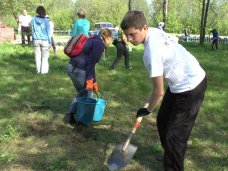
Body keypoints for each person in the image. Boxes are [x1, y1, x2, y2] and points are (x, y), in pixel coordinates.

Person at [121, 11, 207, 171]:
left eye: (132, 35)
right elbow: (173, 40)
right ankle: (170, 153)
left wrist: (147, 109)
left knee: (175, 136)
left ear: (144, 27)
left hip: (191, 85)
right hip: (178, 83)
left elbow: (159, 92)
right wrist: (146, 108)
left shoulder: (152, 53)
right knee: (162, 120)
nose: (130, 39)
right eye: (127, 35)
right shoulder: (153, 31)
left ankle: (173, 163)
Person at [64, 28, 113, 126]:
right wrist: (90, 81)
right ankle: (76, 117)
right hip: (78, 69)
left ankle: (76, 115)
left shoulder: (93, 39)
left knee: (83, 93)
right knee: (85, 94)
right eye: (111, 38)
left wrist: (94, 81)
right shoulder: (99, 45)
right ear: (107, 38)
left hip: (72, 67)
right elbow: (90, 64)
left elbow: (91, 64)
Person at [31, 6, 51, 74]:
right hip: (45, 40)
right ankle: (43, 71)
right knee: (44, 57)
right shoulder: (46, 20)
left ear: (37, 11)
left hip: (36, 40)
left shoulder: (33, 19)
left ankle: (38, 70)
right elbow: (48, 31)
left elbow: (32, 30)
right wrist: (50, 41)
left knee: (37, 56)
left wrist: (33, 38)